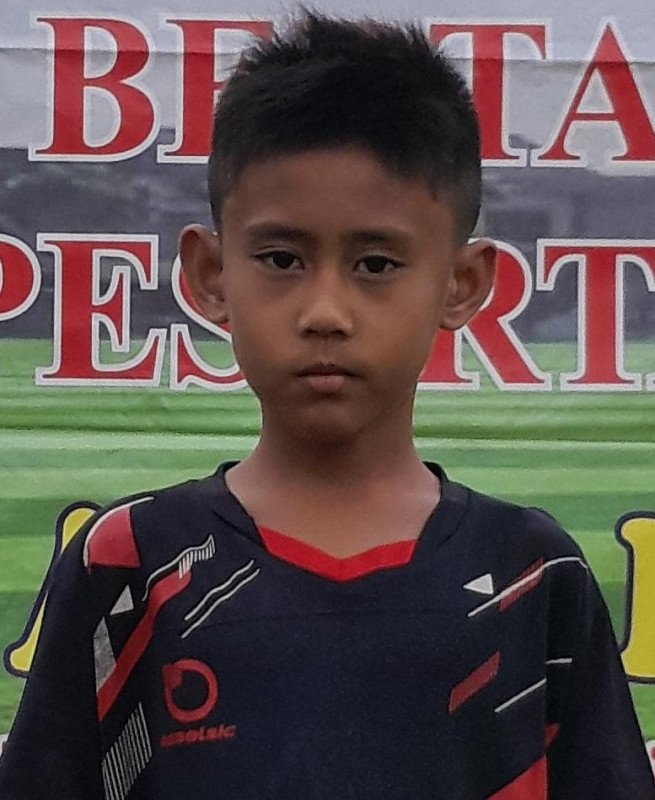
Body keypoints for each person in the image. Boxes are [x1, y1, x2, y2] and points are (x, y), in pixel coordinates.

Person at [0, 9, 653, 799]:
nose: (324, 312)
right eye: (281, 258)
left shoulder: (531, 573)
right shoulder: (129, 562)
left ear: (461, 283)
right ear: (210, 275)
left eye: (375, 264)